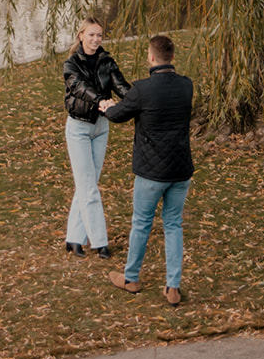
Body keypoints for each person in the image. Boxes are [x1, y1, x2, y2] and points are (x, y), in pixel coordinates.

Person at [100, 33, 193, 305]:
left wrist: (107, 106)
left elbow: (119, 115)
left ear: (151, 57)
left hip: (151, 172)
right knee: (173, 224)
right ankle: (172, 286)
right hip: (180, 169)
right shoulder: (186, 86)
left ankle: (131, 278)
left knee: (141, 224)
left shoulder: (142, 89)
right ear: (172, 57)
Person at [63, 16, 130, 258]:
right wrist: (101, 100)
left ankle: (73, 238)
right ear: (81, 35)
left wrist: (140, 101)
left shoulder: (107, 62)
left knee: (86, 185)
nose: (95, 39)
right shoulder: (70, 65)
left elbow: (121, 86)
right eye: (91, 34)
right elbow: (80, 87)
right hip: (79, 129)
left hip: (101, 128)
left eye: (99, 35)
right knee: (89, 187)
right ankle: (100, 242)